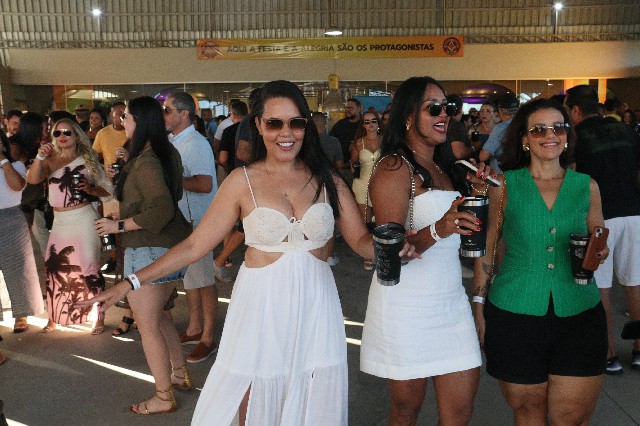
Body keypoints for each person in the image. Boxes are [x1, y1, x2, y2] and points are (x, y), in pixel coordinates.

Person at [79, 80, 415, 425]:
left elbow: (359, 240)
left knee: (311, 391)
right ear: (258, 125)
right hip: (260, 305)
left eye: (296, 122)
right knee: (253, 397)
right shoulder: (242, 181)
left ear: (307, 126)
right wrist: (131, 282)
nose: (286, 133)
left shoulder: (327, 178)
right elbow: (194, 245)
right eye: (274, 123)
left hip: (316, 304)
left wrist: (391, 247)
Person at [361, 76, 489, 425]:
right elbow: (390, 254)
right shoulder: (394, 168)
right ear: (408, 117)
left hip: (450, 302)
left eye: (447, 107)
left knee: (459, 412)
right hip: (406, 307)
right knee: (406, 411)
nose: (444, 114)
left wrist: (479, 195)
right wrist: (438, 229)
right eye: (433, 108)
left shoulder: (447, 167)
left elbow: (467, 233)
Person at [473, 98, 608, 424]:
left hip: (579, 313)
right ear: (524, 138)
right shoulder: (504, 186)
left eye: (558, 127)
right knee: (527, 410)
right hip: (514, 312)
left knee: (570, 416)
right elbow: (489, 247)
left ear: (567, 135)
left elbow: (598, 236)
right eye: (539, 129)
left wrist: (599, 252)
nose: (550, 135)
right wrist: (478, 305)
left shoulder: (586, 186)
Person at [86, 96, 193, 415]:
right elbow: (170, 196)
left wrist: (117, 224)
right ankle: (179, 375)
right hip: (166, 246)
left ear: (141, 122)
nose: (122, 121)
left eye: (127, 117)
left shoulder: (147, 160)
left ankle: (163, 395)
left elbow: (161, 208)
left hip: (148, 246)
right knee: (159, 317)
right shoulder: (163, 152)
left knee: (147, 325)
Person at [564, 85, 640, 375]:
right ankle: (639, 350)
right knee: (635, 283)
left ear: (575, 110)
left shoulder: (576, 137)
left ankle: (609, 355)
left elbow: (571, 177)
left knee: (601, 287)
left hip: (599, 219)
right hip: (634, 213)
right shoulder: (625, 130)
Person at [26, 118, 111, 334]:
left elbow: (108, 190)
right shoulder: (49, 159)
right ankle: (56, 316)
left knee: (88, 266)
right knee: (55, 266)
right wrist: (39, 157)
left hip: (84, 218)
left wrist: (91, 190)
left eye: (67, 132)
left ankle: (98, 316)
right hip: (60, 222)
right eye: (57, 133)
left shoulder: (88, 158)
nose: (62, 136)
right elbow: (33, 179)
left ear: (77, 136)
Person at [163, 91, 219, 364]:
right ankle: (195, 327)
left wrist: (171, 180)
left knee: (204, 280)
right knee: (191, 279)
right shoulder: (174, 141)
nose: (163, 115)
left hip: (199, 221)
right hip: (184, 220)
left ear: (184, 114)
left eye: (167, 110)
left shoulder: (195, 143)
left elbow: (204, 184)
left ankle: (208, 337)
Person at [0, 130, 44, 334]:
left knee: (19, 268)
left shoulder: (15, 166)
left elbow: (17, 186)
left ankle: (22, 314)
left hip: (11, 218)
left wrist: (2, 160)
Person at [350, 110, 381, 270]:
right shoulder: (358, 143)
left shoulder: (385, 141)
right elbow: (353, 163)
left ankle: (382, 251)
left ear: (378, 123)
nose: (370, 124)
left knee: (381, 219)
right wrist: (354, 169)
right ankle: (368, 254)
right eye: (367, 121)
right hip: (362, 184)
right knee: (366, 220)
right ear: (363, 125)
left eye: (373, 121)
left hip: (382, 184)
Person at [479, 92, 521, 173]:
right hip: (522, 171)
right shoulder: (525, 124)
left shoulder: (500, 128)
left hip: (502, 173)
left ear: (500, 111)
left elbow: (483, 156)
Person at [330, 97, 363, 166]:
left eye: (350, 108)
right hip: (342, 164)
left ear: (359, 109)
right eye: (346, 108)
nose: (347, 110)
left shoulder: (365, 124)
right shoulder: (340, 125)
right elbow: (331, 142)